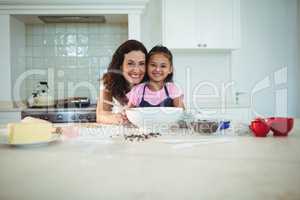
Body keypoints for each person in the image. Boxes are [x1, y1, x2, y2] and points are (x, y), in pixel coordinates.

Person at [96, 40, 147, 124]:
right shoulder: (109, 82)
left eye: (141, 64)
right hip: (118, 134)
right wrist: (116, 118)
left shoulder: (151, 84)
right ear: (120, 66)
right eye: (130, 63)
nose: (137, 70)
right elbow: (100, 115)